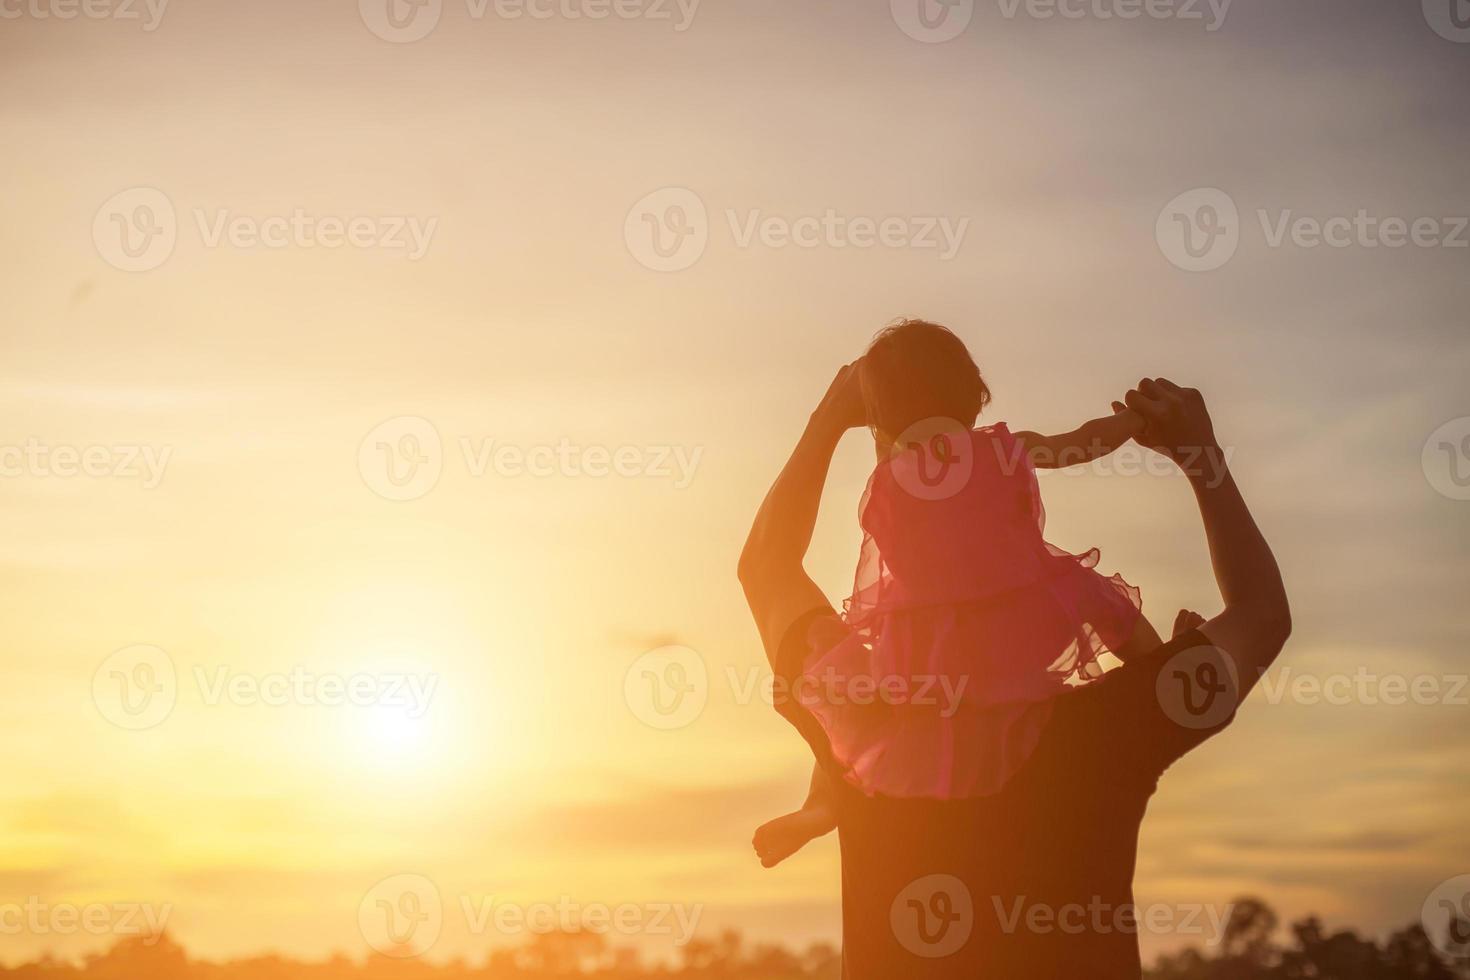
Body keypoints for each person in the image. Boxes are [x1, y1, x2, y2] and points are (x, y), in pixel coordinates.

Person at [738, 339, 1291, 977]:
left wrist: (830, 417)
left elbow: (766, 565)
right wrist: (1197, 455)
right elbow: (1261, 614)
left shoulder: (860, 723)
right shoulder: (1108, 729)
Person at [752, 320, 1164, 868]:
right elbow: (1078, 445)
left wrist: (866, 420)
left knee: (851, 713)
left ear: (878, 414)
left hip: (922, 656)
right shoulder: (1002, 448)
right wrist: (1130, 421)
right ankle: (1165, 665)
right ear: (973, 394)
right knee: (1120, 620)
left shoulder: (890, 473)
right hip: (1023, 622)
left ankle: (819, 805)